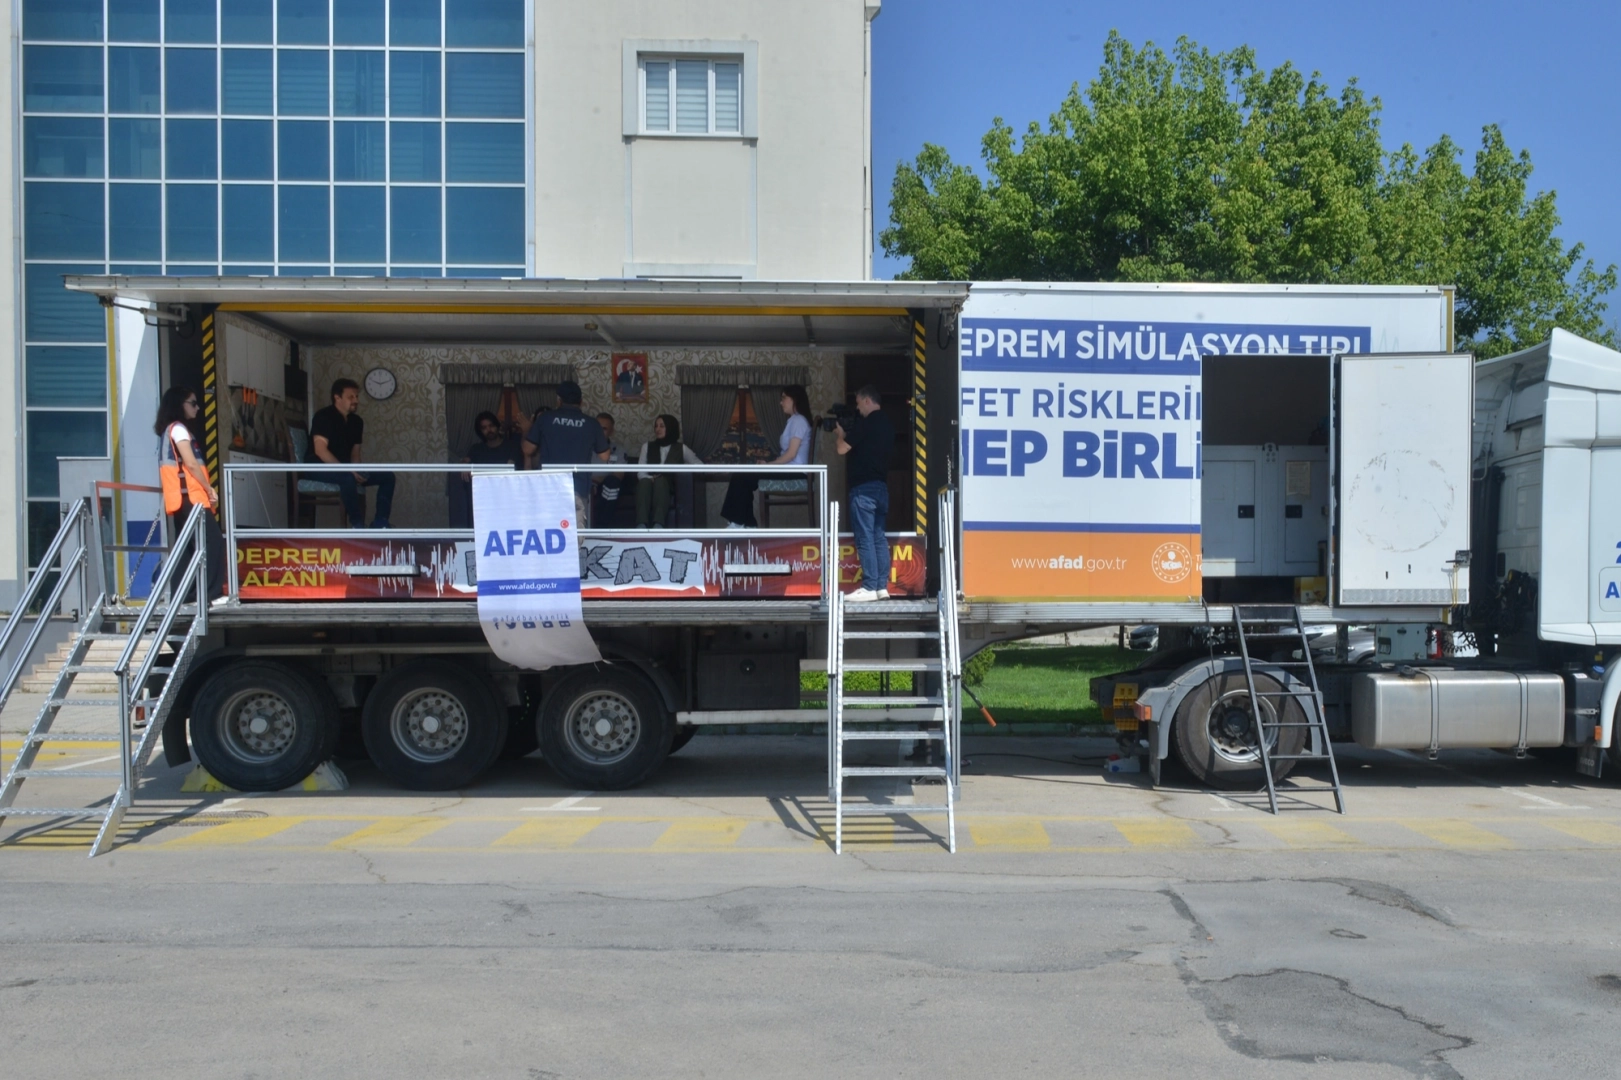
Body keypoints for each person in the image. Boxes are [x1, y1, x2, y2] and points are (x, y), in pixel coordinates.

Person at [154, 386, 228, 605]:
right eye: (193, 403)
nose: (197, 408)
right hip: (191, 498)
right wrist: (209, 488)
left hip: (182, 499)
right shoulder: (178, 430)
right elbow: (191, 464)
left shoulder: (169, 431)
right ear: (179, 405)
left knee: (187, 548)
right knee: (213, 542)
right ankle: (211, 594)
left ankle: (183, 596)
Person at [721, 385, 814, 528]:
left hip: (795, 471)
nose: (781, 402)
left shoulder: (799, 421)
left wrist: (768, 466)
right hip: (789, 469)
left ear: (794, 399)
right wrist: (769, 464)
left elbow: (791, 455)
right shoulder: (794, 420)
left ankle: (739, 522)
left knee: (741, 475)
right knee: (744, 476)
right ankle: (747, 523)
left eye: (784, 398)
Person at [306, 377, 394, 528]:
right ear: (337, 397)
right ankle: (357, 525)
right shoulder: (323, 416)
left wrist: (357, 470)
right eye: (351, 397)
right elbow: (320, 450)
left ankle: (381, 523)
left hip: (345, 469)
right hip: (318, 467)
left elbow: (355, 454)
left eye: (357, 396)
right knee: (347, 478)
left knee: (388, 476)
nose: (356, 400)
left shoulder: (356, 422)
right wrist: (348, 470)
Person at [835, 385, 895, 601]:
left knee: (865, 538)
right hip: (881, 488)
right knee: (878, 537)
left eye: (859, 403)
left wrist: (840, 434)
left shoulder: (867, 423)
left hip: (864, 490)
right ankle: (881, 587)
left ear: (867, 400)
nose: (858, 408)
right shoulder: (888, 424)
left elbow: (842, 449)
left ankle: (869, 587)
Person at [522, 380, 608, 521]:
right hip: (577, 487)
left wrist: (527, 430)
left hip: (548, 486)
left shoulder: (545, 419)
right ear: (581, 401)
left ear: (559, 401)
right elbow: (604, 456)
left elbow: (528, 449)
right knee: (574, 531)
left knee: (548, 529)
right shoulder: (592, 424)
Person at [451, 411, 523, 527]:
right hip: (483, 502)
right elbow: (465, 461)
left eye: (491, 426)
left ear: (497, 426)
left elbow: (510, 468)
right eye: (484, 428)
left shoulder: (512, 446)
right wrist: (464, 465)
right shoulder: (477, 449)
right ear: (480, 431)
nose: (489, 430)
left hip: (508, 499)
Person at [635, 414, 703, 527]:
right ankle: (641, 525)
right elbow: (640, 472)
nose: (658, 429)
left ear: (670, 427)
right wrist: (650, 478)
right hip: (648, 483)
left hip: (668, 485)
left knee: (661, 482)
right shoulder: (646, 447)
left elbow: (699, 465)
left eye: (662, 426)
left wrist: (684, 469)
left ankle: (658, 525)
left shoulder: (681, 448)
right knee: (644, 482)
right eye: (656, 426)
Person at [593, 412, 632, 527]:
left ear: (611, 432)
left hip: (607, 486)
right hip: (587, 485)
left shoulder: (618, 450)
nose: (600, 432)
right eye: (597, 428)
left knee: (612, 483)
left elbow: (619, 475)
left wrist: (597, 480)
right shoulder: (584, 447)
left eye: (604, 429)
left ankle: (602, 526)